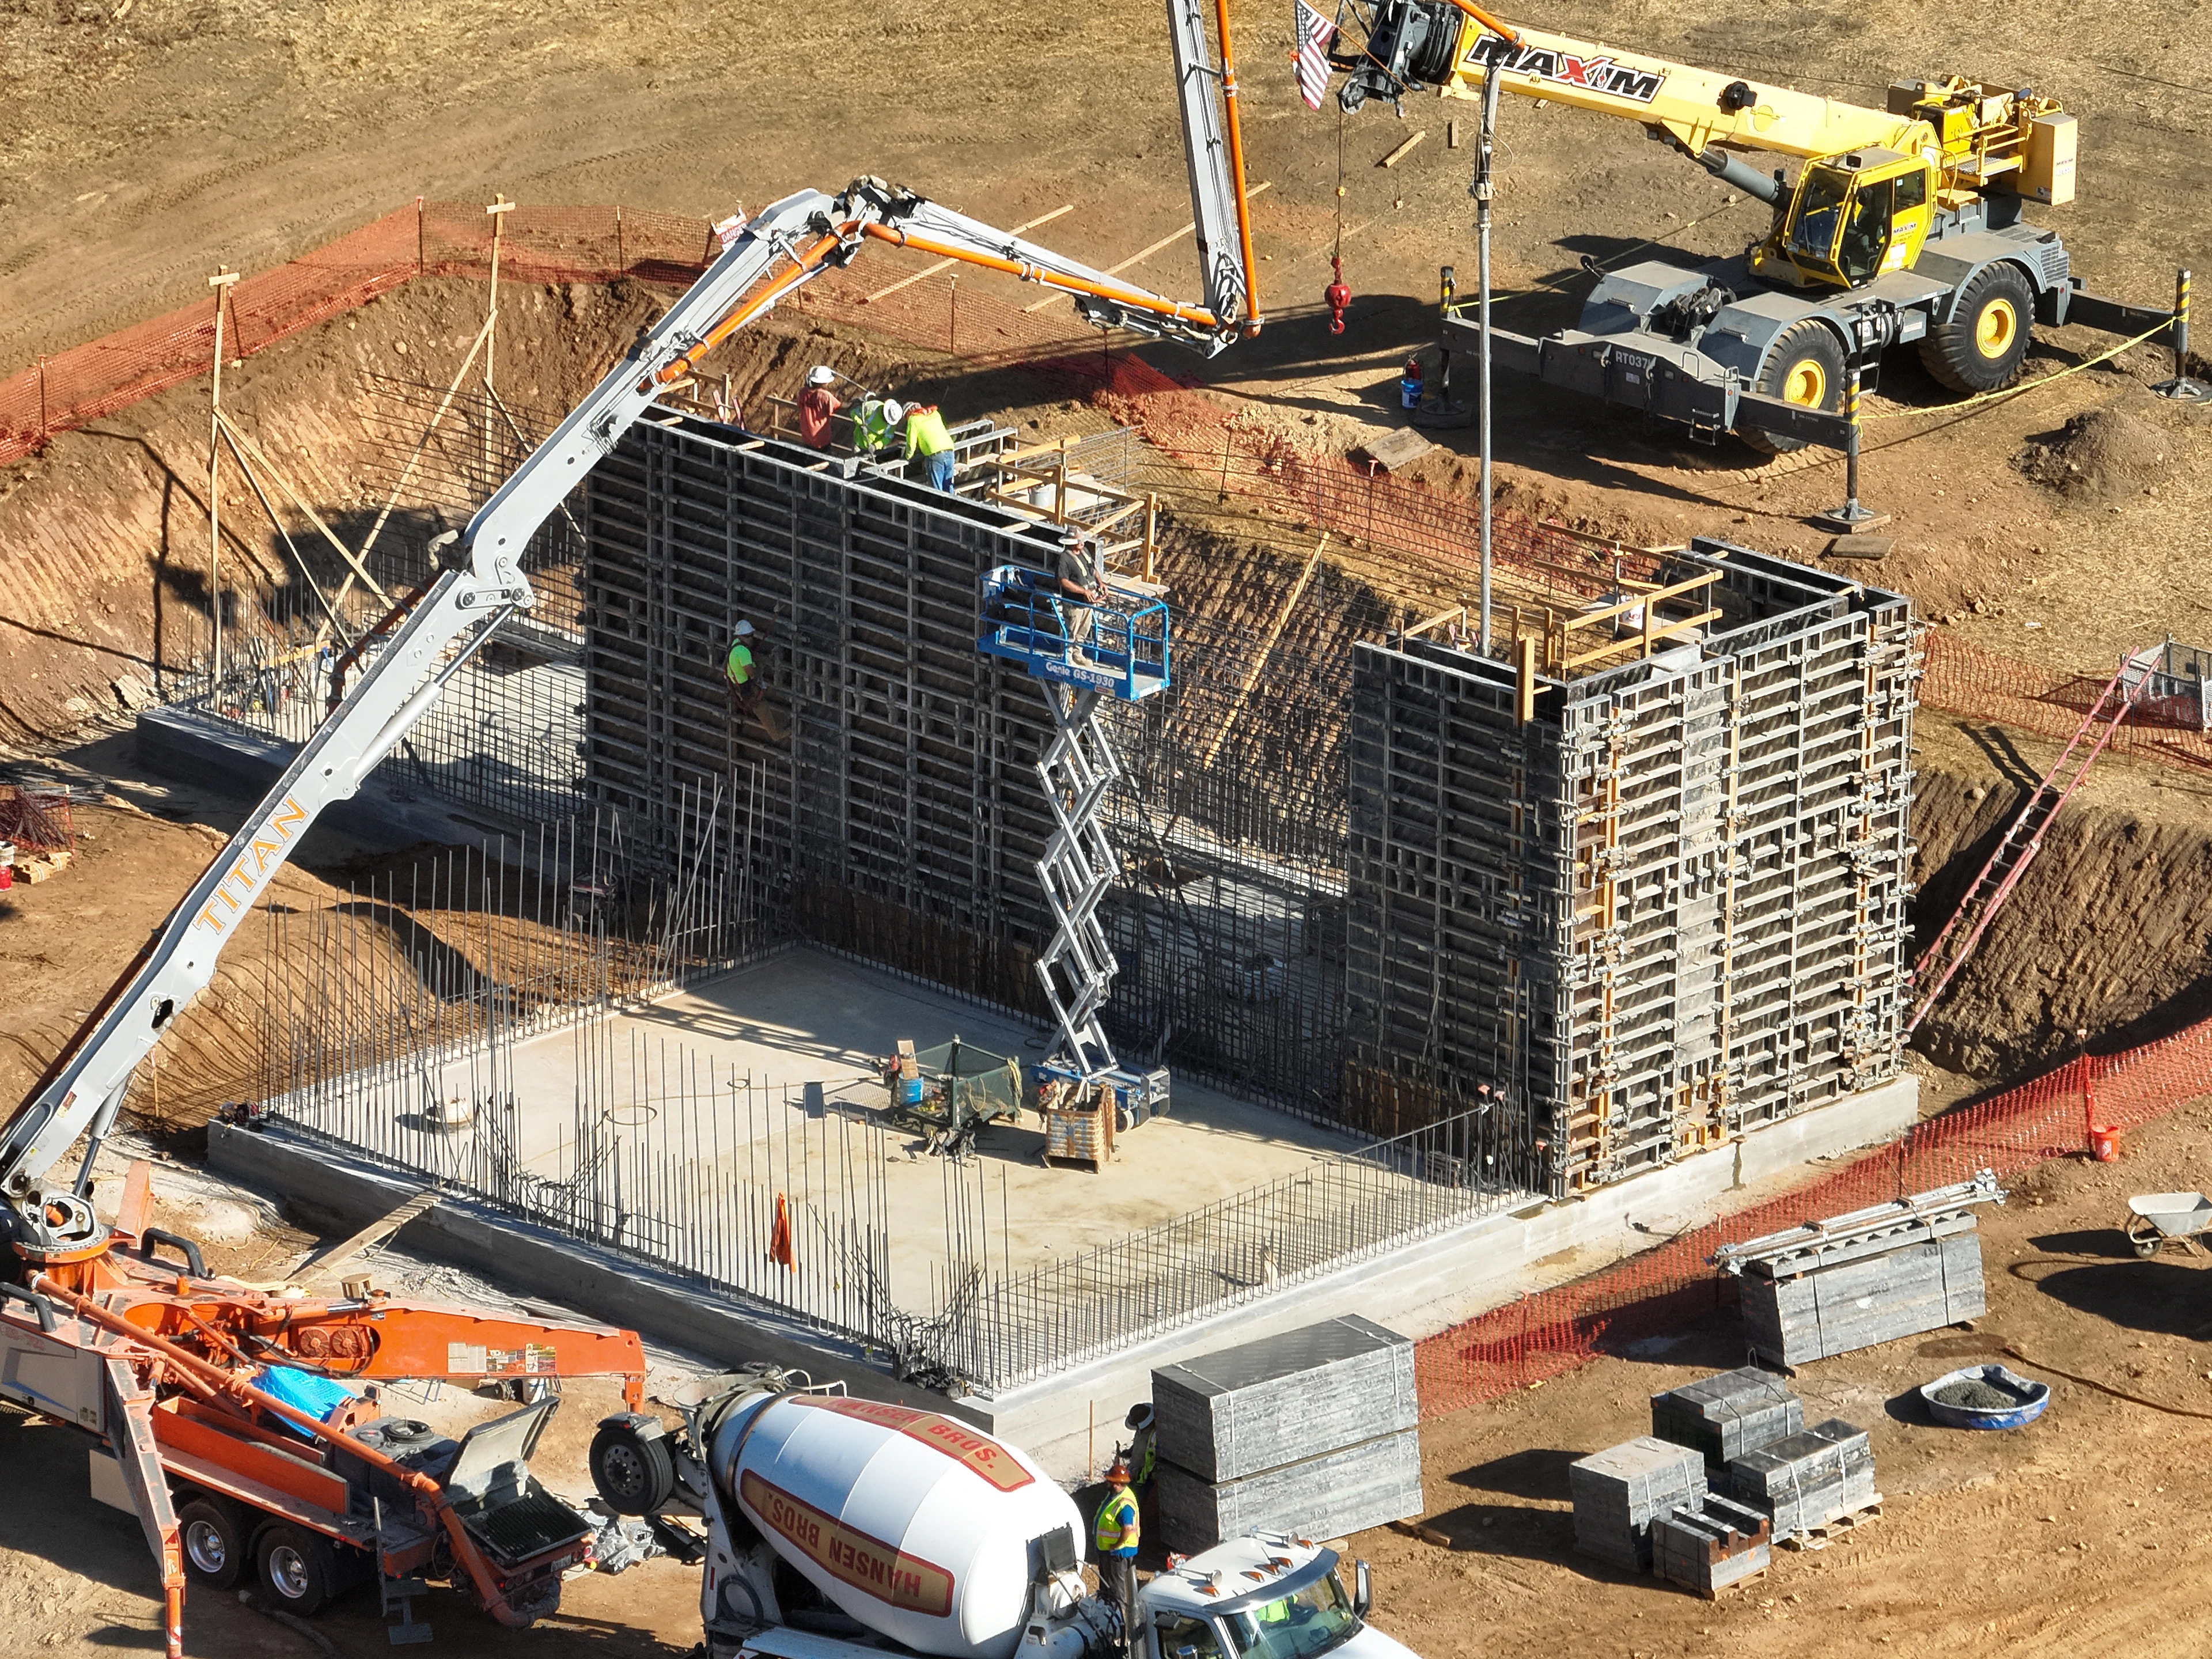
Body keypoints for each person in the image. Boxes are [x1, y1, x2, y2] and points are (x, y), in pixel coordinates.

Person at [1093, 1460, 1141, 1633]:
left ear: (1118, 1484)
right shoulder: (1116, 1496)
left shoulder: (1124, 1504)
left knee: (1116, 1594)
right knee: (1107, 1590)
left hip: (1117, 1554)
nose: (1107, 1483)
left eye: (1110, 1481)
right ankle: (1108, 1624)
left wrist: (1116, 1545)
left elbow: (1127, 1528)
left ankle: (1121, 1631)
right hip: (1110, 1552)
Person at [904, 402, 957, 490]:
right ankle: (950, 503)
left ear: (909, 412)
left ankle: (938, 504)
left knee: (936, 490)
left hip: (934, 453)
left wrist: (908, 456)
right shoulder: (935, 413)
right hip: (949, 449)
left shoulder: (913, 419)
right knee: (948, 486)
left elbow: (911, 443)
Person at [797, 365, 841, 449]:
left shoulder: (803, 392)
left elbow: (799, 405)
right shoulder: (825, 396)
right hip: (821, 437)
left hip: (807, 435)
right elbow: (838, 406)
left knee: (808, 456)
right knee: (823, 457)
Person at [852, 395, 902, 459]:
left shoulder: (892, 422)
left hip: (875, 450)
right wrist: (861, 425)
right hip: (859, 444)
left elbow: (888, 438)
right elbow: (854, 413)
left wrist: (876, 446)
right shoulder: (872, 407)